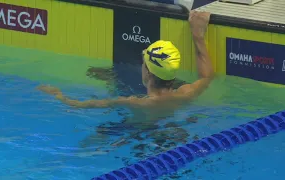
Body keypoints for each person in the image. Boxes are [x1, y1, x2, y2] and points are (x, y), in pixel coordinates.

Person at [37, 11, 214, 126]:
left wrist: (56, 94)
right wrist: (198, 35)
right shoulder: (186, 94)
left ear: (147, 73)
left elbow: (78, 105)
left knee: (99, 134)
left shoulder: (135, 102)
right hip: (172, 129)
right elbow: (206, 76)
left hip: (136, 133)